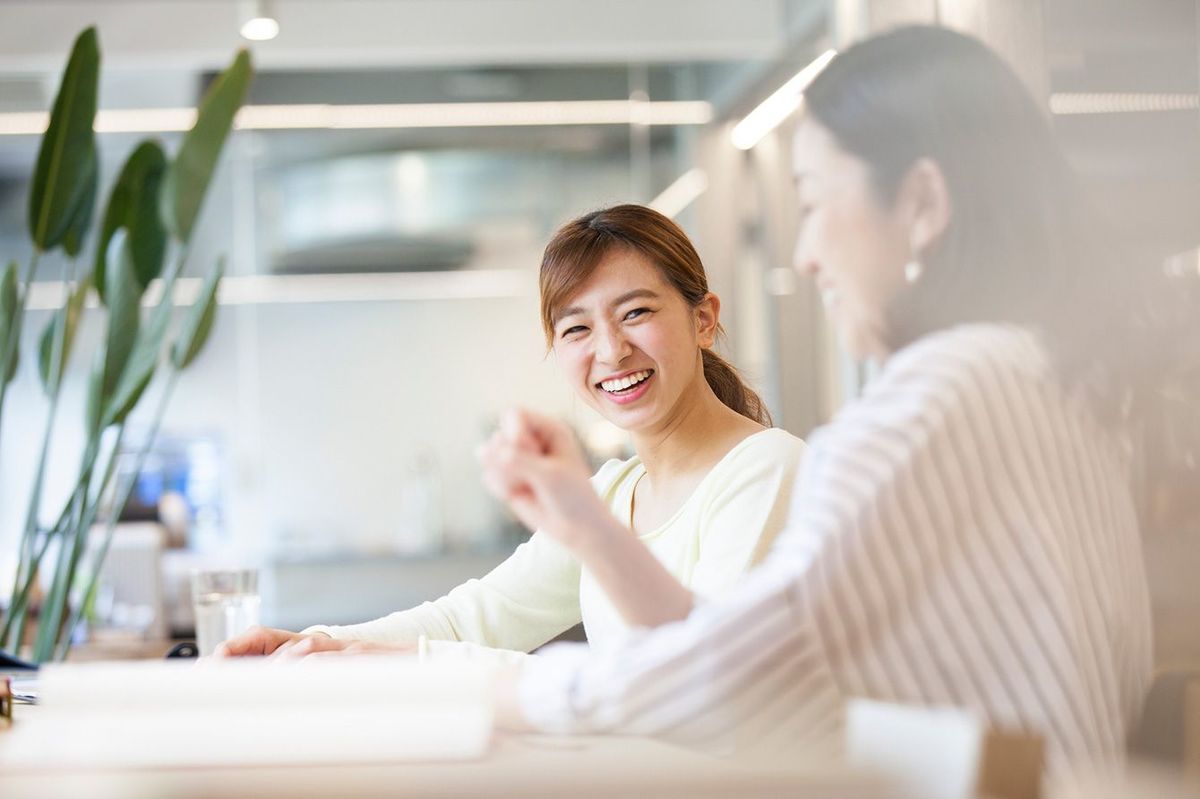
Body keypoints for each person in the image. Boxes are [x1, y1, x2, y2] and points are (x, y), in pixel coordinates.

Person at [479, 26, 1156, 778]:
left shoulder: (938, 396)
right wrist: (586, 523)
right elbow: (748, 660)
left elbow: (722, 685)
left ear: (923, 203)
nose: (805, 254)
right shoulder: (1041, 371)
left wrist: (501, 693)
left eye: (813, 202)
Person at [218, 205, 806, 662]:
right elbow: (475, 617)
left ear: (703, 319)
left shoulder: (765, 469)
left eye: (636, 313)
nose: (610, 350)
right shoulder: (611, 493)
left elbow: (700, 678)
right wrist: (314, 643)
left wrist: (417, 665)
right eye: (576, 328)